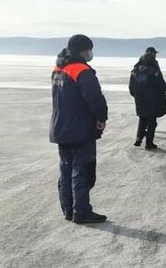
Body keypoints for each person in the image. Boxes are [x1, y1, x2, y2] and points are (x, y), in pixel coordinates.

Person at [49, 34, 108, 224]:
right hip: (80, 128)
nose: (90, 53)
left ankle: (68, 209)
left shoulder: (58, 68)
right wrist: (101, 117)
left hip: (61, 127)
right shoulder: (82, 70)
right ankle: (81, 211)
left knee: (66, 171)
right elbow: (95, 98)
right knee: (81, 171)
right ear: (83, 50)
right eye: (89, 49)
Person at [129, 53, 166, 150]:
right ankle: (149, 143)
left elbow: (131, 88)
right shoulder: (154, 72)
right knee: (151, 122)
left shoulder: (134, 71)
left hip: (140, 101)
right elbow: (159, 87)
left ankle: (138, 139)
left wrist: (138, 97)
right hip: (152, 101)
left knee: (142, 119)